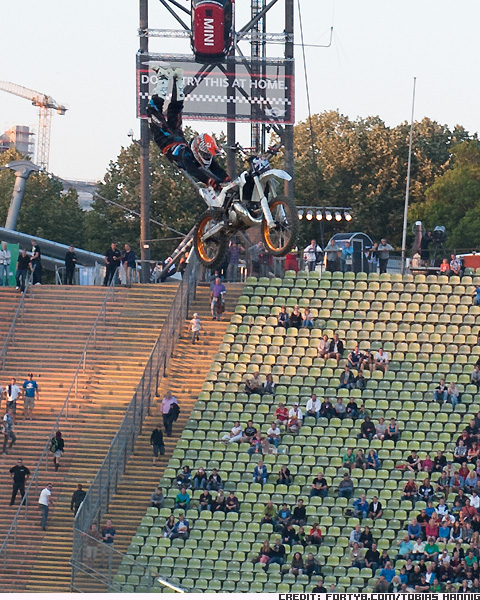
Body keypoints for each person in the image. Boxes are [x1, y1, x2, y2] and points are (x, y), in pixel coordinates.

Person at [147, 67, 228, 186]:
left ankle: (178, 78)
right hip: (166, 140)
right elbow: (192, 170)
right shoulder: (187, 157)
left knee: (175, 109)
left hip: (177, 139)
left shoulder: (194, 155)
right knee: (155, 109)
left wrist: (227, 179)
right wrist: (210, 181)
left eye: (207, 154)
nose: (207, 156)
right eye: (206, 154)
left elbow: (216, 168)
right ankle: (163, 76)